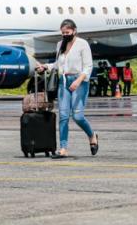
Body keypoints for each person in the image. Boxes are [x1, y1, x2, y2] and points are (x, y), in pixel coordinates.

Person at [36, 19, 98, 159]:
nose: (65, 35)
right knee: (63, 116)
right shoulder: (60, 44)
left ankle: (92, 135)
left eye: (67, 32)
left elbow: (88, 66)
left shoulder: (82, 44)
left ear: (74, 31)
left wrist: (78, 81)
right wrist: (45, 67)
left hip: (79, 81)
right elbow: (58, 64)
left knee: (77, 116)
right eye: (63, 33)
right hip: (63, 82)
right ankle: (63, 148)